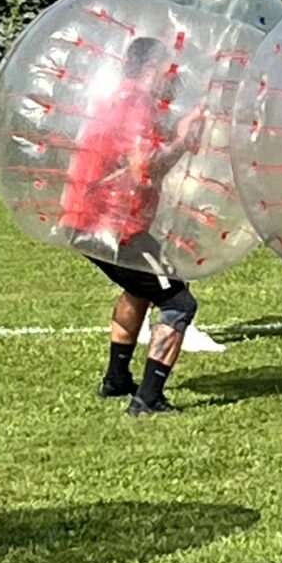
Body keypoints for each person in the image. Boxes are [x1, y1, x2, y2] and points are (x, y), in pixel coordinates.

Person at [60, 34, 203, 419]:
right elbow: (144, 169)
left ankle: (117, 378)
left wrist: (178, 138)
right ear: (152, 69)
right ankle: (148, 399)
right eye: (168, 67)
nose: (173, 75)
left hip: (85, 219)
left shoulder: (117, 99)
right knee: (177, 301)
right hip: (113, 225)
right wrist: (183, 141)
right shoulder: (139, 105)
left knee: (138, 286)